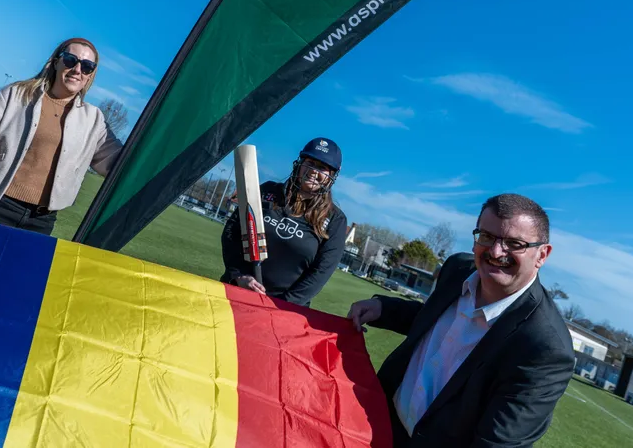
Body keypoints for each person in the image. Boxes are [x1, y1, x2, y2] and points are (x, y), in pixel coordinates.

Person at [347, 193, 574, 447]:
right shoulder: (457, 269)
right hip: (376, 418)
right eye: (486, 236)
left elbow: (497, 444)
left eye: (514, 243)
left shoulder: (546, 348)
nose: (496, 251)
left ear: (542, 255)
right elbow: (433, 319)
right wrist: (383, 308)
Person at [0, 38, 122, 235]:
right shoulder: (15, 95)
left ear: (91, 75)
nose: (77, 70)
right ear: (56, 62)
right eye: (70, 60)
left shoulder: (94, 119)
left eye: (87, 66)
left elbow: (120, 164)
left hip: (41, 223)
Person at [219, 138, 348, 308]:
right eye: (310, 163)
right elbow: (232, 232)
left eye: (322, 167)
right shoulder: (267, 191)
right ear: (300, 163)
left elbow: (321, 272)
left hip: (284, 310)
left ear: (331, 176)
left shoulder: (335, 220)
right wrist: (238, 275)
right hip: (237, 292)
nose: (313, 171)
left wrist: (281, 305)